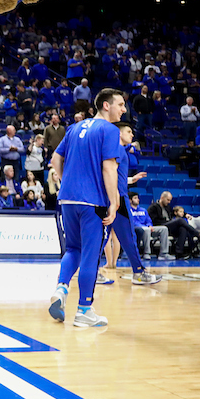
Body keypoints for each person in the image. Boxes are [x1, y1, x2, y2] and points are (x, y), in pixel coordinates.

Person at [48, 89, 126, 328]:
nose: (123, 110)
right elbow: (109, 168)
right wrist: (114, 202)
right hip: (92, 202)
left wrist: (66, 181)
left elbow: (55, 160)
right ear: (106, 105)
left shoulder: (73, 128)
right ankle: (84, 310)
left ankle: (61, 289)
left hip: (68, 199)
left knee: (73, 249)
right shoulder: (110, 130)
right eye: (120, 105)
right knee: (91, 256)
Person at [129, 193, 169, 261]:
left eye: (138, 198)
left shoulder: (143, 210)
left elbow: (148, 220)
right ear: (130, 200)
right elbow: (132, 222)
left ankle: (163, 253)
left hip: (147, 228)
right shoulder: (128, 211)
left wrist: (149, 225)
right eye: (135, 198)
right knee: (146, 230)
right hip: (137, 229)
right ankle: (146, 253)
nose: (138, 199)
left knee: (164, 229)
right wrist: (145, 227)